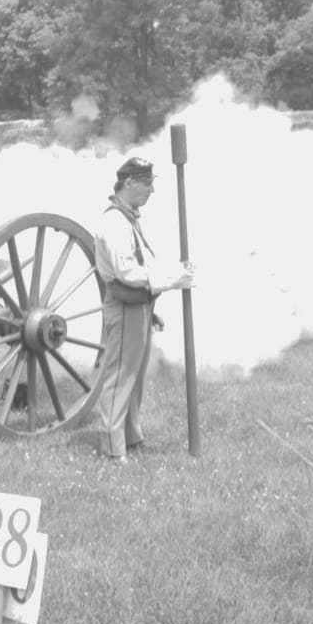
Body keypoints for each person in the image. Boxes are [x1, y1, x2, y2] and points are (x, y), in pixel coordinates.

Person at [92, 156, 194, 463]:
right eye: (147, 184)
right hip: (124, 305)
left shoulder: (129, 220)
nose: (151, 190)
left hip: (138, 305)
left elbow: (143, 267)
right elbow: (128, 274)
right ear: (129, 184)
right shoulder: (113, 222)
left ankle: (131, 436)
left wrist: (153, 302)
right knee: (120, 375)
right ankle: (112, 448)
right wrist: (175, 279)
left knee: (134, 376)